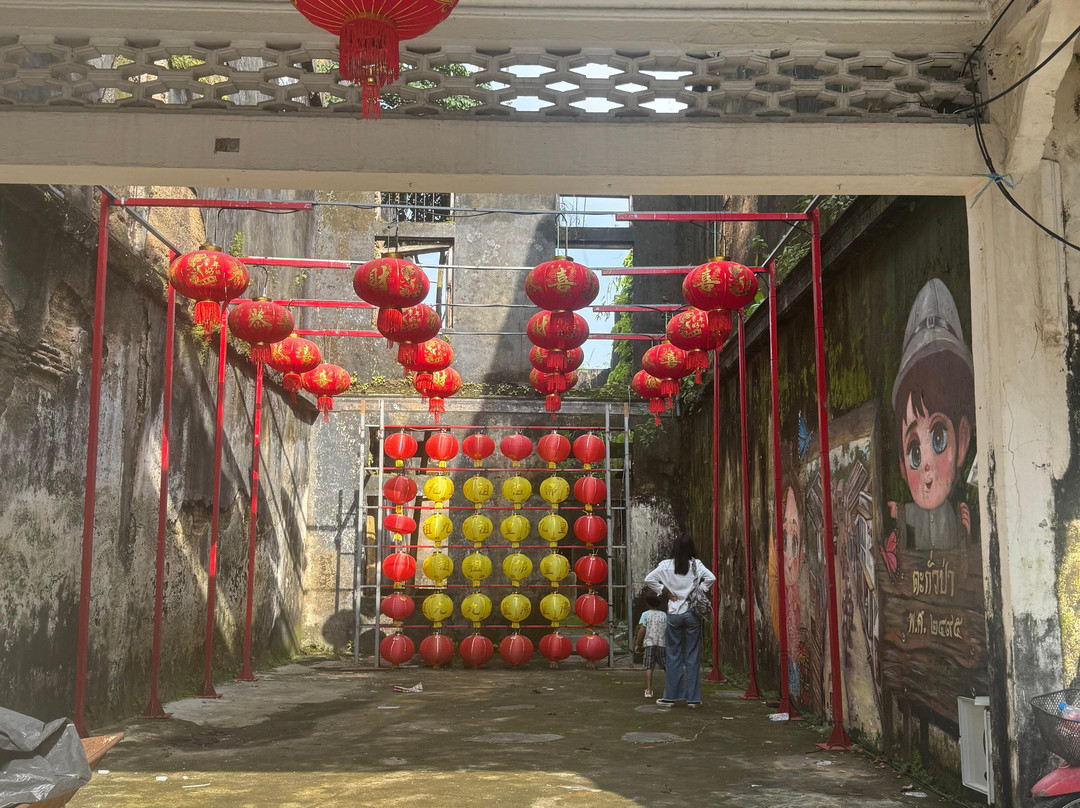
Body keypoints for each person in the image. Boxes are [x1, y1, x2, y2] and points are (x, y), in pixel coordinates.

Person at [887, 278, 975, 551]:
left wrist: (964, 532)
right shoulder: (914, 513)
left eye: (938, 438)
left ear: (962, 439)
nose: (926, 464)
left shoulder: (954, 511)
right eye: (914, 451)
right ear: (902, 465)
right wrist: (898, 513)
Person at [643, 534, 716, 708]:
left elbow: (648, 579)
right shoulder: (696, 565)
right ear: (691, 548)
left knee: (673, 655)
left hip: (674, 614)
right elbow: (711, 578)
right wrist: (699, 590)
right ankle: (693, 699)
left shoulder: (665, 565)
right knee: (692, 656)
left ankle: (670, 698)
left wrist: (665, 591)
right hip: (692, 614)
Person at [634, 591, 667, 698]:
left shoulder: (645, 614)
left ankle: (648, 690)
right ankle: (670, 688)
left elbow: (642, 630)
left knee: (649, 666)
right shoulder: (663, 615)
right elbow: (667, 630)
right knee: (666, 666)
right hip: (662, 643)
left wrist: (637, 643)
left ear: (647, 603)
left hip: (649, 643)